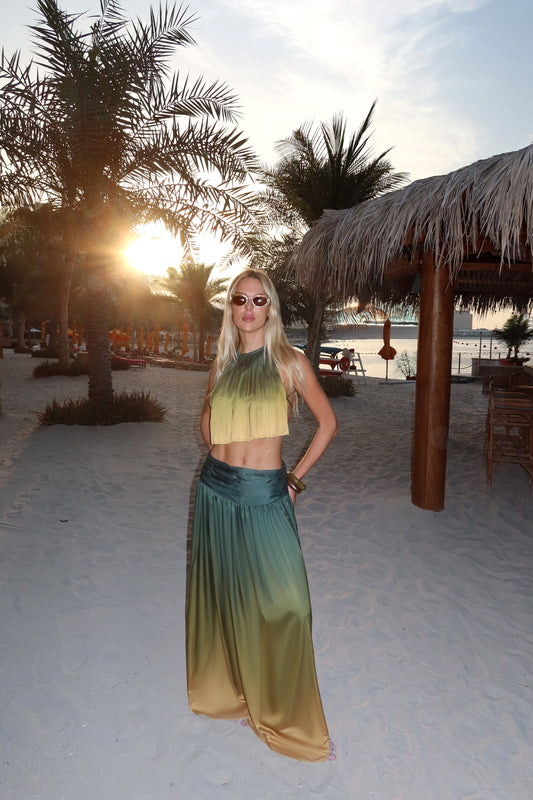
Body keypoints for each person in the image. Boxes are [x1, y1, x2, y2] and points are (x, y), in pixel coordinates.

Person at [186, 269, 338, 762]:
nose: (248, 308)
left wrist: (294, 480)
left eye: (258, 300)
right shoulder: (223, 363)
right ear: (230, 308)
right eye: (239, 300)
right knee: (227, 595)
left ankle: (284, 713)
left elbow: (327, 424)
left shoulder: (290, 362)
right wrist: (223, 451)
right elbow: (207, 421)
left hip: (266, 493)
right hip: (215, 490)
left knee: (289, 606)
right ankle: (234, 690)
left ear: (270, 307)